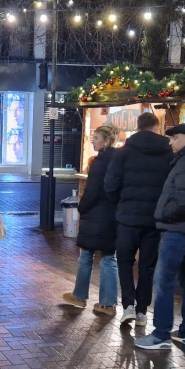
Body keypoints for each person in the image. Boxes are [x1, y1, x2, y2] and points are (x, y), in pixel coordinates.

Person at [135, 123, 185, 350]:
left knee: (164, 282)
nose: (170, 142)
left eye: (175, 138)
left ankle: (161, 334)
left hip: (178, 231)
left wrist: (163, 214)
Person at [104, 112, 173, 326]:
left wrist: (121, 204)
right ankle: (143, 311)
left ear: (138, 126)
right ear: (157, 126)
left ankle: (129, 306)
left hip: (127, 217)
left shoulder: (123, 152)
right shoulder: (168, 153)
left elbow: (110, 184)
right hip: (154, 219)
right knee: (148, 265)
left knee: (124, 262)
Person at [62, 124, 120, 315]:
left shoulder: (99, 162)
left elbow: (92, 191)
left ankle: (79, 296)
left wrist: (82, 207)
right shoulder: (120, 160)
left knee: (86, 256)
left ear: (106, 140)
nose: (92, 141)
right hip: (112, 216)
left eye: (96, 137)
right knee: (109, 258)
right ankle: (108, 304)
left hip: (95, 216)